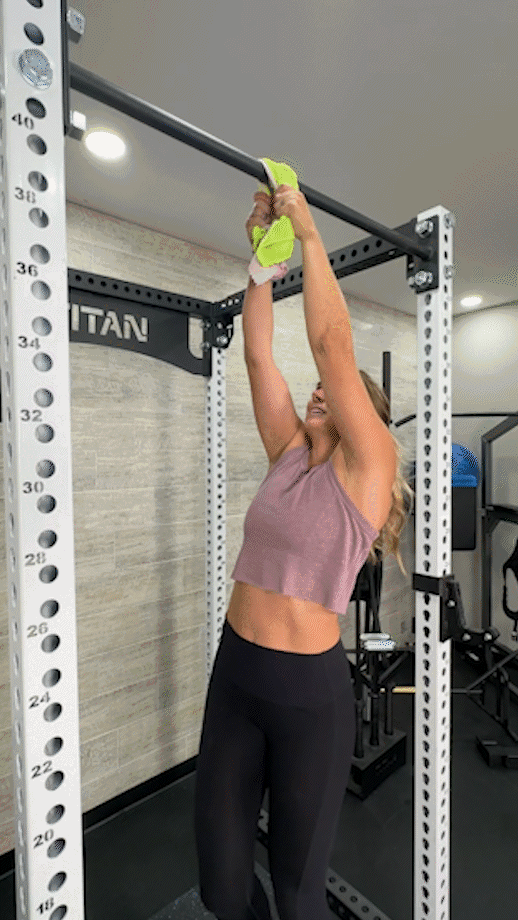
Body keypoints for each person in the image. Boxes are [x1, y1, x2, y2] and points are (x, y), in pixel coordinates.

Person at [194, 186, 412, 920]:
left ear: (366, 420)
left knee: (298, 896)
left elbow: (332, 347)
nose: (320, 391)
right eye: (317, 390)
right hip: (236, 677)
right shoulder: (288, 454)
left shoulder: (367, 471)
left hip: (306, 698)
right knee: (225, 888)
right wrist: (261, 266)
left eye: (336, 394)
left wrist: (309, 237)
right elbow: (259, 357)